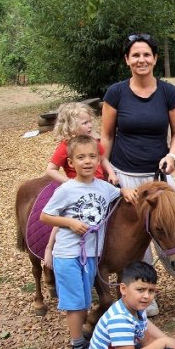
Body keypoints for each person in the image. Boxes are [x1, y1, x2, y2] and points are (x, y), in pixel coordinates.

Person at [100, 33, 175, 318]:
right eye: (135, 55)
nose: (141, 60)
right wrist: (108, 171)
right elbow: (105, 136)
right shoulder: (116, 93)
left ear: (155, 59)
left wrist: (172, 156)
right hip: (125, 178)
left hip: (159, 178)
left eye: (146, 54)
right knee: (133, 242)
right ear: (127, 60)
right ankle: (143, 297)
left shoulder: (167, 92)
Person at [39, 135, 125, 349]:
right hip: (68, 254)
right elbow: (45, 216)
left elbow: (122, 194)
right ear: (70, 163)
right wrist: (70, 223)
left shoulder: (105, 188)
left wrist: (129, 192)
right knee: (76, 302)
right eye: (81, 157)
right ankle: (77, 347)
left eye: (92, 156)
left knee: (85, 299)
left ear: (99, 160)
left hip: (91, 255)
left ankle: (83, 339)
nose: (87, 161)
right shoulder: (67, 189)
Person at [42, 102, 113, 271]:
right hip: (77, 190)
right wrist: (69, 183)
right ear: (72, 126)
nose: (90, 126)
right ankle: (49, 248)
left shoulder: (93, 142)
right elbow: (50, 169)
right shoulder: (65, 147)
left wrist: (111, 173)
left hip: (97, 187)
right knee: (64, 217)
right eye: (85, 123)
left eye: (90, 122)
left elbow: (103, 159)